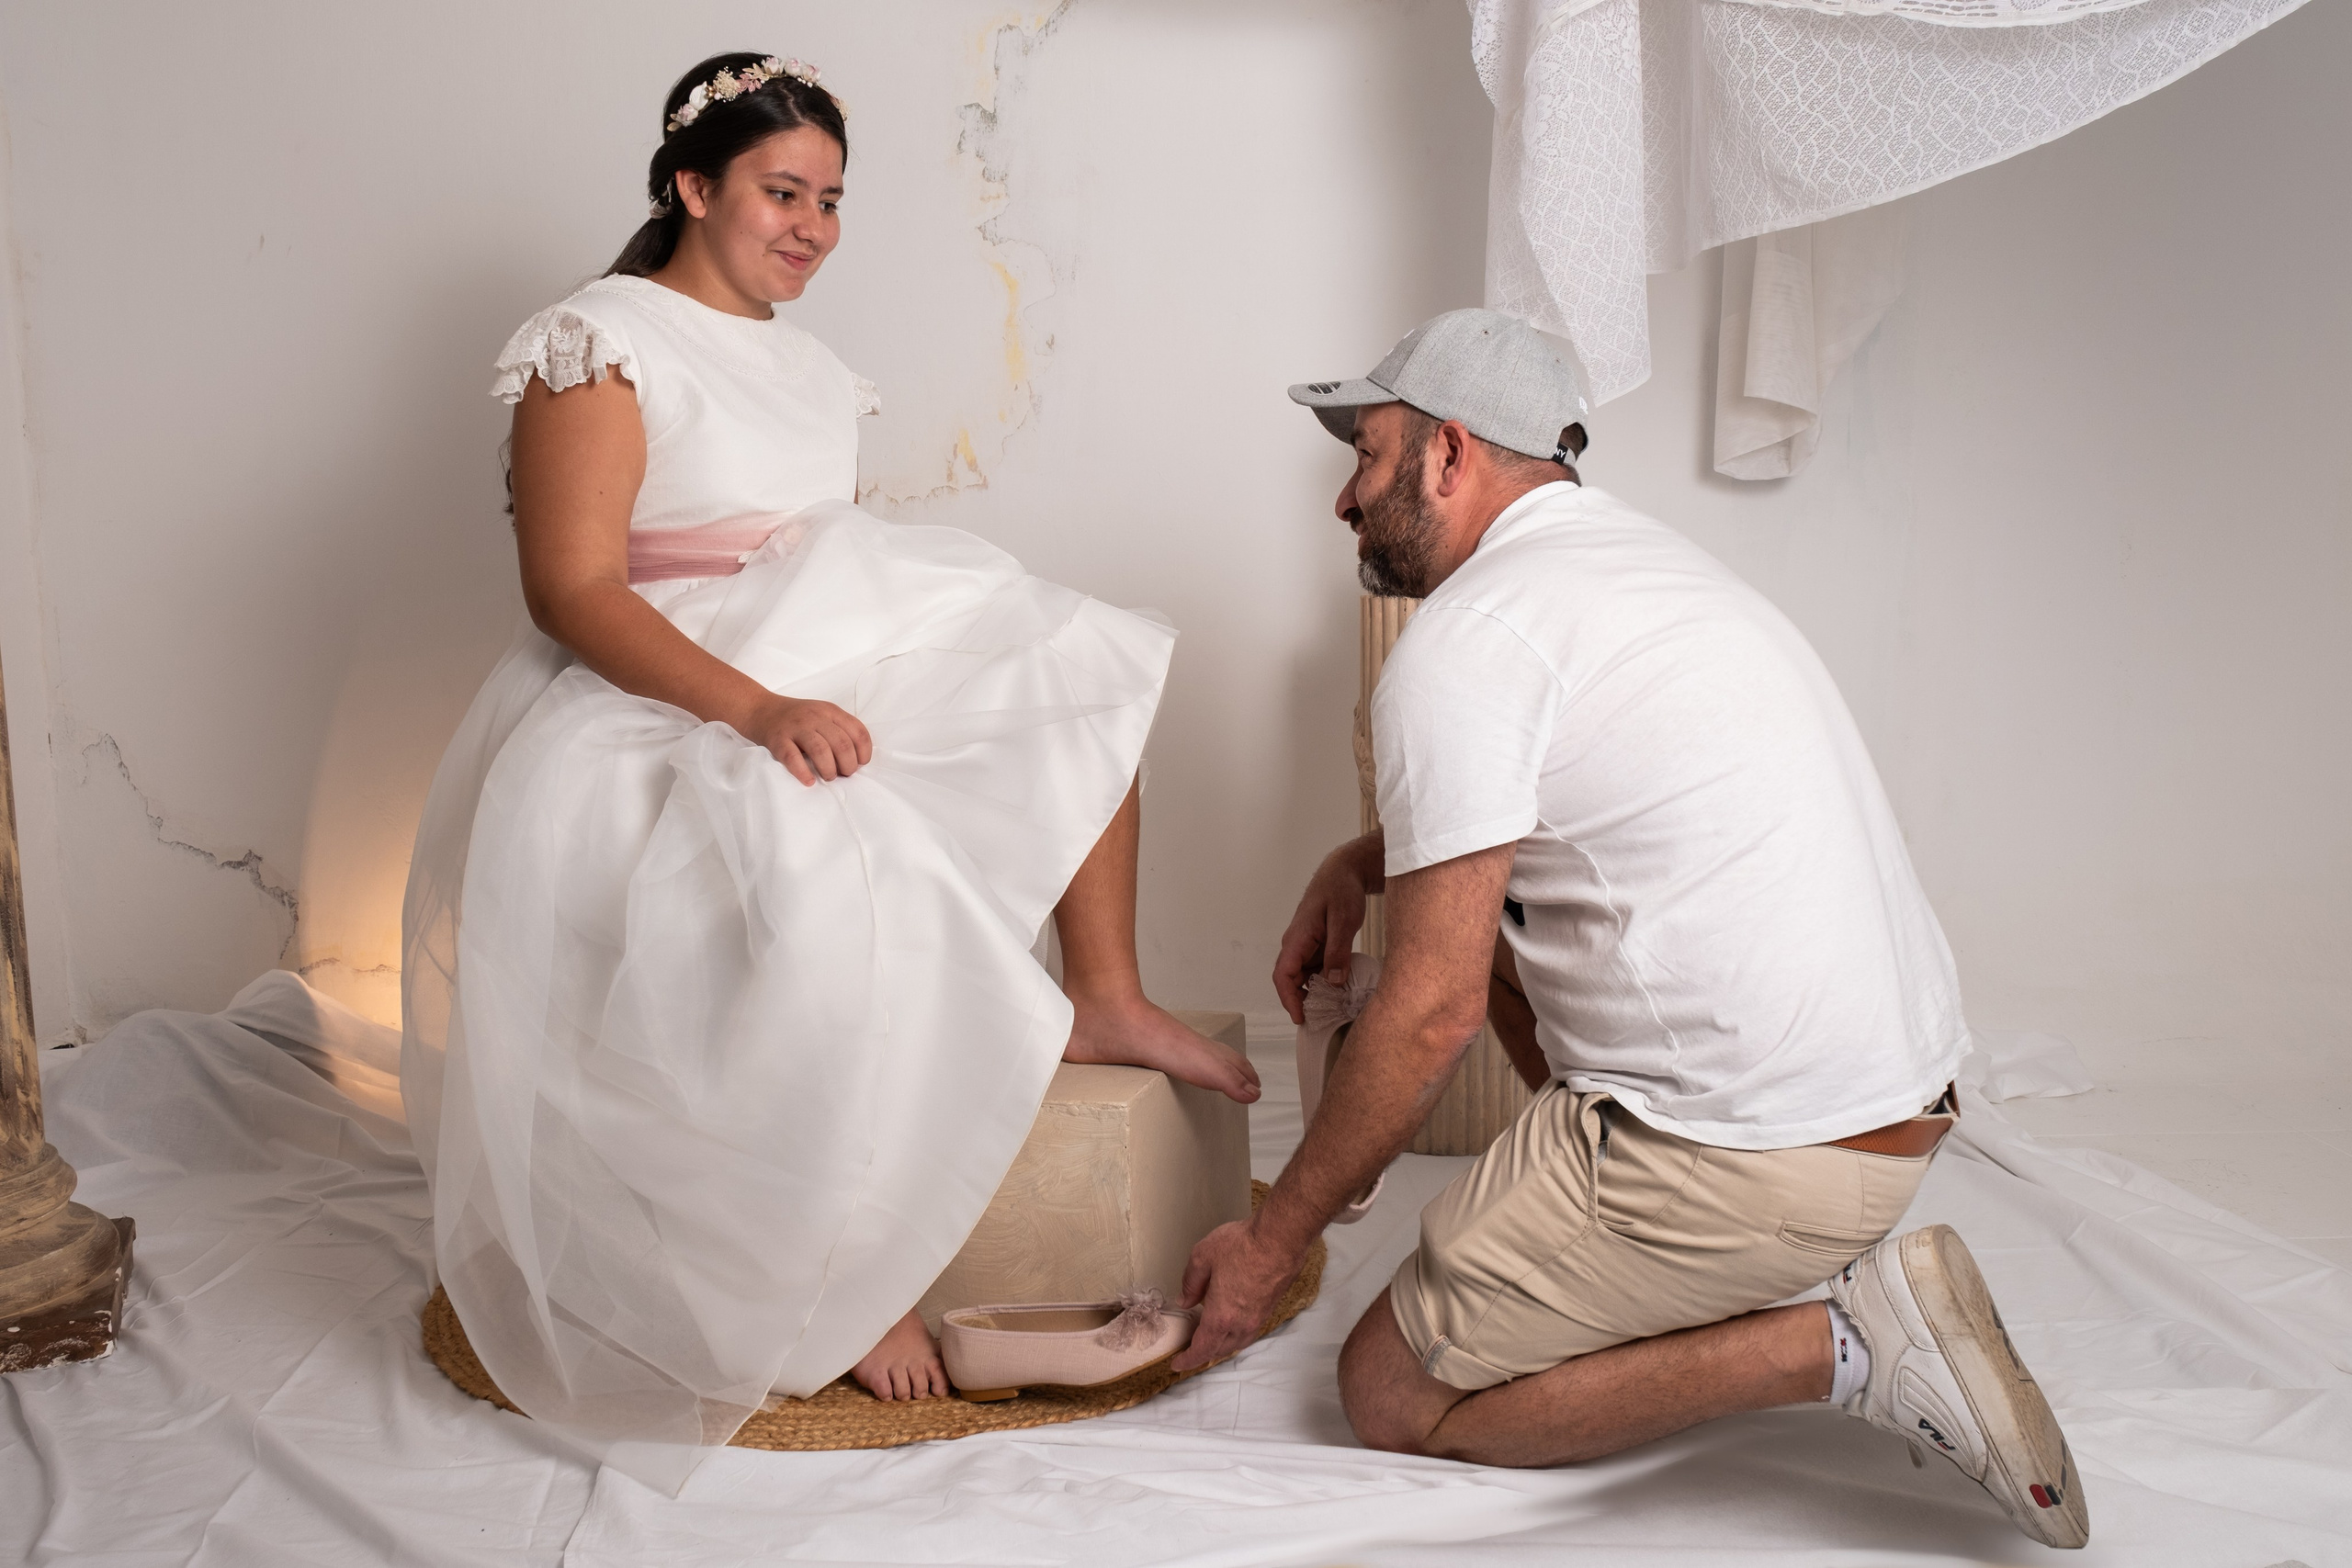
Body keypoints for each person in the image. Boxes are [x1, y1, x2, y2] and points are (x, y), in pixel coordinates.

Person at [398, 51, 1257, 1461]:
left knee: (1069, 671)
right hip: (659, 699)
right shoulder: (600, 339)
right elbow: (574, 590)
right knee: (835, 859)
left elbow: (812, 559)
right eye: (780, 192)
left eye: (833, 201)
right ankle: (836, 1278)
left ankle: (1103, 993)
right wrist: (755, 711)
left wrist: (843, 683)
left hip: (812, 652)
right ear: (692, 186)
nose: (810, 227)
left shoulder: (812, 369)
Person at [1175, 310, 2088, 1551]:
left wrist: (1272, 1245)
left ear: (1449, 454)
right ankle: (1674, 1252)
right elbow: (1590, 796)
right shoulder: (1637, 571)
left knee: (1388, 1390)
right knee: (1487, 914)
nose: (1344, 499)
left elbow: (1433, 1011)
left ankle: (1849, 1345)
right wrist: (1364, 860)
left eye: (1368, 455)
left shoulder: (1469, 643)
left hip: (1764, 1161)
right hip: (1887, 1113)